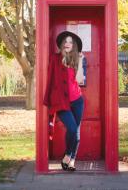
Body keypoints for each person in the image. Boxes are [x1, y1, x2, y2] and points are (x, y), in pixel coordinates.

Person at [43, 31, 85, 171]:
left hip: (77, 101)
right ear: (62, 44)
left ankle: (72, 160)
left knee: (76, 133)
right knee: (72, 128)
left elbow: (79, 80)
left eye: (71, 42)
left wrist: (81, 61)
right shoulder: (55, 59)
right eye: (66, 41)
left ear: (74, 46)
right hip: (61, 101)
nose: (68, 43)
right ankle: (68, 154)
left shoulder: (76, 60)